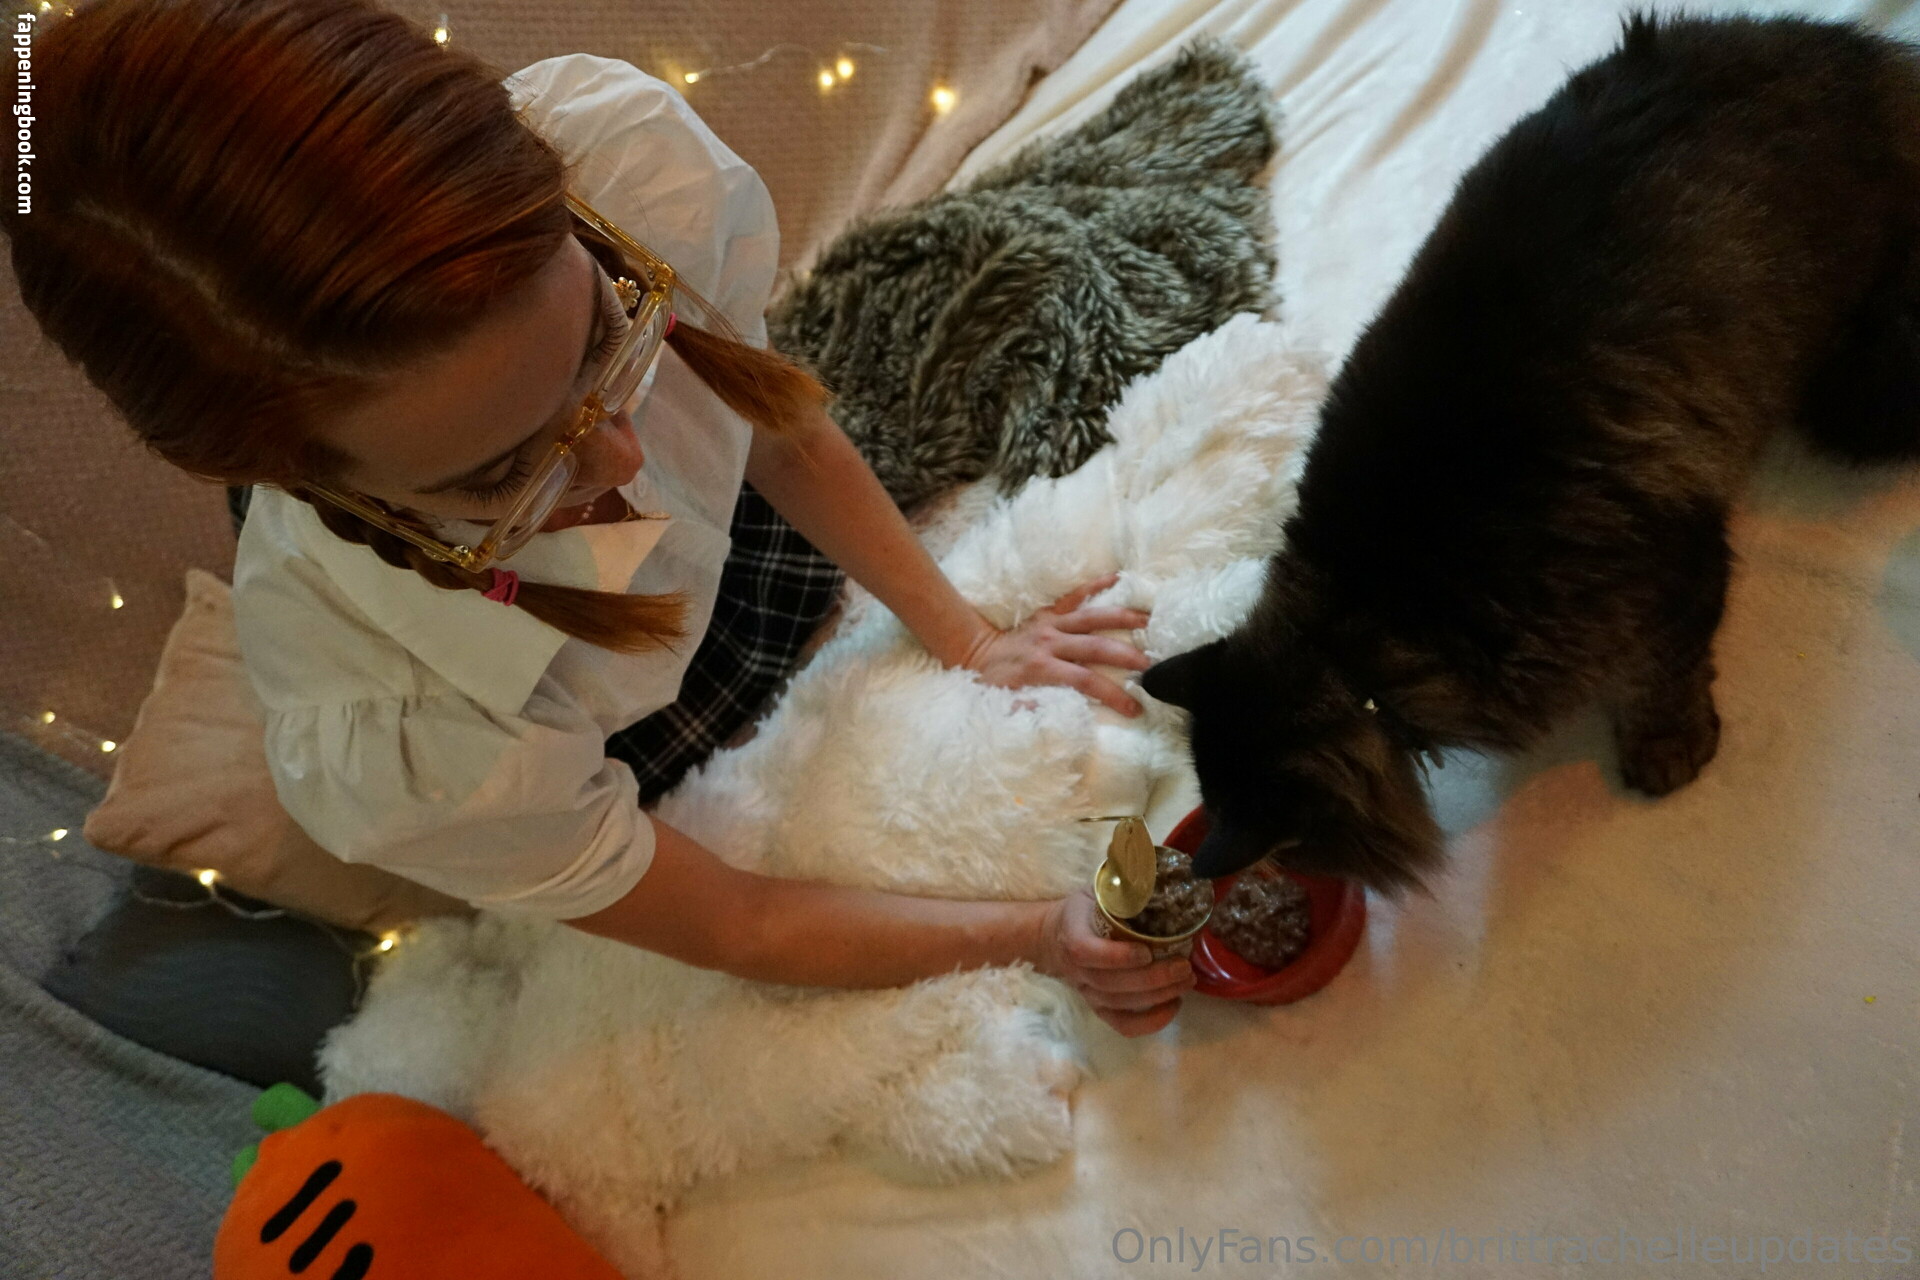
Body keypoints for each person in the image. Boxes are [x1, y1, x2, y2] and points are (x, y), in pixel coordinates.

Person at [4, 0, 1193, 1035]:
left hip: (744, 580)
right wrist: (1039, 932)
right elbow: (738, 919)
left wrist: (970, 634)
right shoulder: (414, 734)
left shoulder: (621, 163)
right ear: (309, 478)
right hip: (605, 751)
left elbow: (773, 425)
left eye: (604, 336)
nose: (628, 457)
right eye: (500, 472)